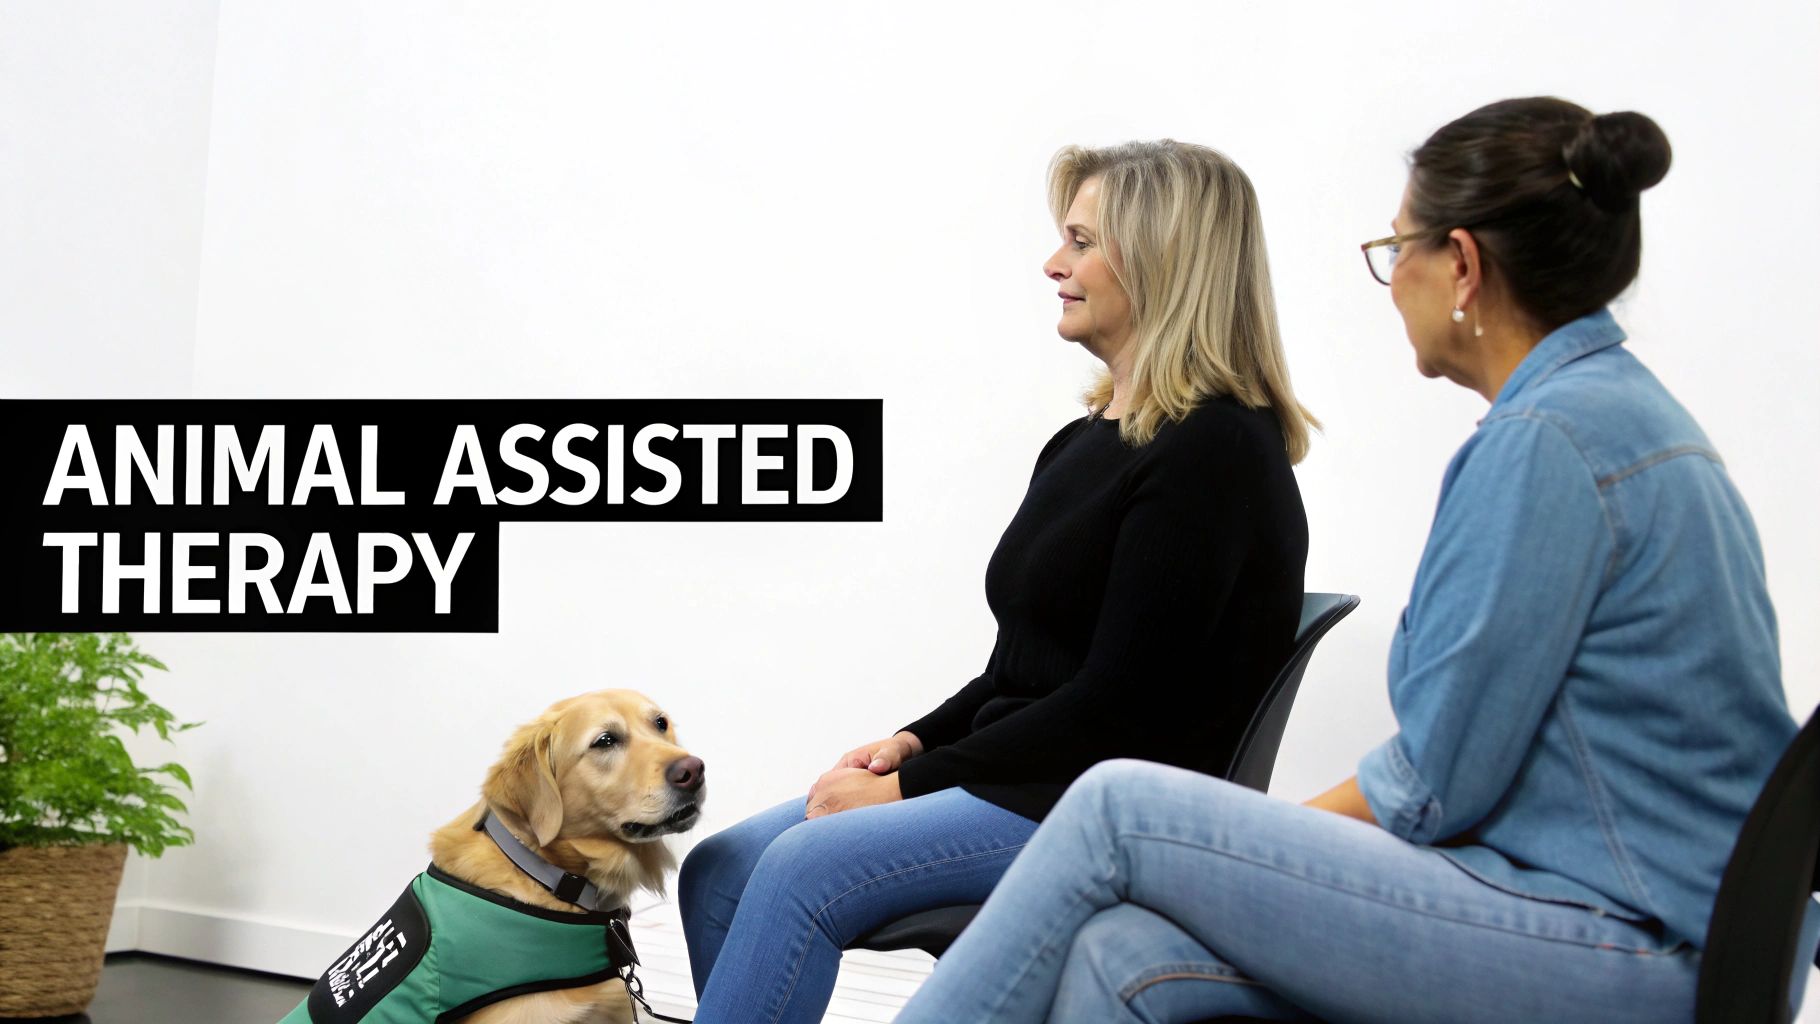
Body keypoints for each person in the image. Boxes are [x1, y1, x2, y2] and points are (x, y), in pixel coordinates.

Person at [893, 98, 1819, 1024]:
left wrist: (1233, 844)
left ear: (1461, 264)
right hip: (1630, 909)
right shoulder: (1613, 412)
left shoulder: (1549, 442)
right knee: (1121, 953)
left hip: (1640, 940)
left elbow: (1434, 786)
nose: (1393, 281)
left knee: (1117, 812)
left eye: (1396, 251)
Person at [676, 139, 1316, 1024]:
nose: (1055, 264)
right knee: (722, 867)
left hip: (1089, 804)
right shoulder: (1087, 442)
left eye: (1083, 242)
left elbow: (1117, 704)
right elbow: (1022, 669)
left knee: (796, 868)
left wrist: (912, 786)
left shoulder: (1214, 449)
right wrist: (908, 743)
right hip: (1022, 774)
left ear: (1166, 259)